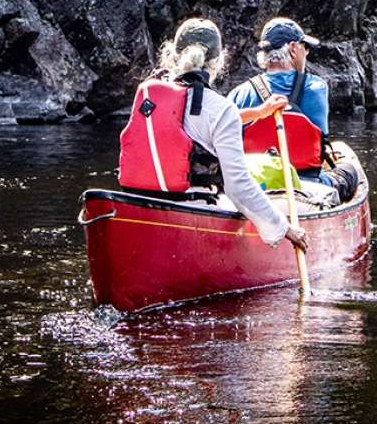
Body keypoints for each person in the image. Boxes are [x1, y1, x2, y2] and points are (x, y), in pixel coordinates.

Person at [117, 17, 309, 252]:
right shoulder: (217, 107)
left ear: (172, 54)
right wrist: (284, 228)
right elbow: (238, 187)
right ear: (218, 61)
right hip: (192, 209)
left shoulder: (149, 95)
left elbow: (191, 123)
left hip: (138, 207)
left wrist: (258, 113)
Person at [228, 17, 359, 202]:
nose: (306, 53)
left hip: (257, 185)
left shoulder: (238, 93)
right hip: (310, 183)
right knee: (350, 171)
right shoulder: (316, 87)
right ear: (292, 49)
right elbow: (321, 137)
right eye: (304, 47)